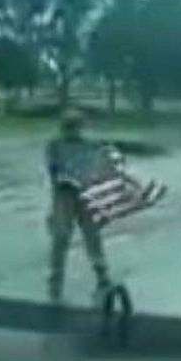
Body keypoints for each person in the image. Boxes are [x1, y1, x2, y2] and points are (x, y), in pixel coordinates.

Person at [44, 109, 112, 303]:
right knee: (61, 237)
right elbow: (54, 173)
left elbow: (98, 171)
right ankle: (55, 284)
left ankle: (102, 276)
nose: (72, 130)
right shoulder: (55, 146)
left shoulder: (88, 146)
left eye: (75, 126)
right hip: (64, 194)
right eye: (68, 127)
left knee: (92, 237)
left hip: (84, 194)